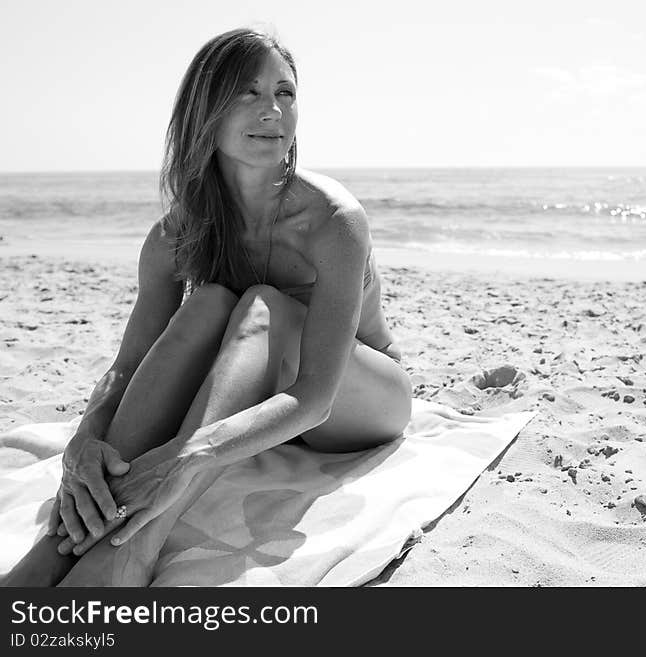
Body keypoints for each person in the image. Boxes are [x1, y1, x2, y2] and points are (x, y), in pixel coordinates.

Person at [2, 28, 412, 587]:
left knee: (262, 304)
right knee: (210, 302)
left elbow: (315, 398)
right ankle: (55, 549)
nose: (272, 110)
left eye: (285, 93)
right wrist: (84, 441)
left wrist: (184, 456)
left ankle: (129, 551)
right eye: (248, 92)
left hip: (356, 402)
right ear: (205, 112)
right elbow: (129, 365)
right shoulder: (175, 235)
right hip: (261, 406)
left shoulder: (332, 220)